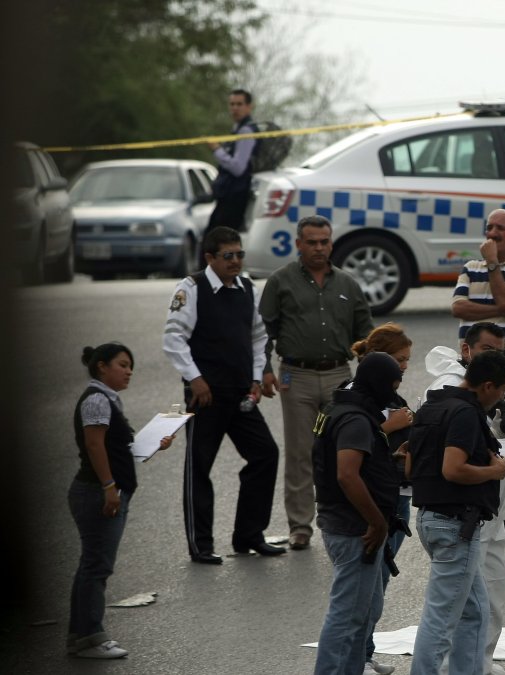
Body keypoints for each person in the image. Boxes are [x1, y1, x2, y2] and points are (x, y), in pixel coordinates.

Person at [163, 226, 283, 564]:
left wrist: (257, 378)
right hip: (206, 395)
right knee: (199, 467)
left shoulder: (248, 288)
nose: (235, 261)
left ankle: (248, 534)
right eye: (228, 256)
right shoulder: (192, 288)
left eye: (239, 255)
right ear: (210, 258)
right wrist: (195, 379)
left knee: (265, 455)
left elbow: (260, 338)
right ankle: (200, 544)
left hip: (241, 392)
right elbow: (173, 338)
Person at [260, 214, 373, 551]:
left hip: (341, 375)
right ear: (298, 244)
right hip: (298, 376)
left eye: (324, 241)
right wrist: (263, 369)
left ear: (331, 243)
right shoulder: (280, 282)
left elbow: (365, 333)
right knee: (300, 453)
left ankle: (345, 518)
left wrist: (374, 373)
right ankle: (300, 527)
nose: (319, 248)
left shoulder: (348, 284)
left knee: (346, 452)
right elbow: (261, 332)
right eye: (311, 242)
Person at [407, 350, 505, 675]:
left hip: (430, 517)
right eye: (504, 388)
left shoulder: (432, 405)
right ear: (487, 386)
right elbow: (453, 469)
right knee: (441, 618)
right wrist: (494, 472)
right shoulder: (466, 413)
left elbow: (410, 466)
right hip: (455, 525)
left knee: (475, 610)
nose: (504, 395)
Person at [68, 343, 173, 659]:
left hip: (101, 491)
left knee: (94, 563)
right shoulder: (98, 399)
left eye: (131, 367)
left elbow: (122, 450)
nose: (129, 372)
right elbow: (94, 445)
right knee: (97, 565)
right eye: (123, 364)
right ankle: (88, 638)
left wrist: (157, 442)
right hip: (97, 493)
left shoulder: (107, 400)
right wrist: (109, 487)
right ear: (102, 366)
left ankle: (82, 634)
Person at [312, 352, 405, 675]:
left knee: (358, 616)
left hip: (343, 521)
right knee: (347, 617)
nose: (392, 395)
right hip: (356, 529)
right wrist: (377, 522)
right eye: (391, 386)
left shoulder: (342, 407)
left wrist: (389, 461)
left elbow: (358, 468)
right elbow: (347, 474)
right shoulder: (355, 418)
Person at [450, 208, 505, 539]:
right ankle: (480, 505)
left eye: (500, 228)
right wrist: (503, 310)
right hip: (470, 365)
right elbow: (459, 307)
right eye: (489, 227)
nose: (493, 233)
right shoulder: (469, 266)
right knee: (472, 434)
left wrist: (492, 266)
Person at [350, 323, 416, 675]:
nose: (403, 367)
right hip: (371, 500)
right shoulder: (354, 396)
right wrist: (388, 427)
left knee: (380, 582)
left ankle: (365, 650)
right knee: (364, 587)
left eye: (406, 360)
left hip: (398, 496)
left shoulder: (394, 399)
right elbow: (346, 449)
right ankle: (354, 658)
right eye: (398, 360)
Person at [207, 88, 258, 233]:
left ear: (249, 107)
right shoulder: (237, 128)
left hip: (235, 198)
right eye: (232, 104)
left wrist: (217, 150)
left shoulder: (246, 131)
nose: (235, 108)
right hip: (228, 196)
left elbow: (238, 167)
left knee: (217, 242)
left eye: (239, 104)